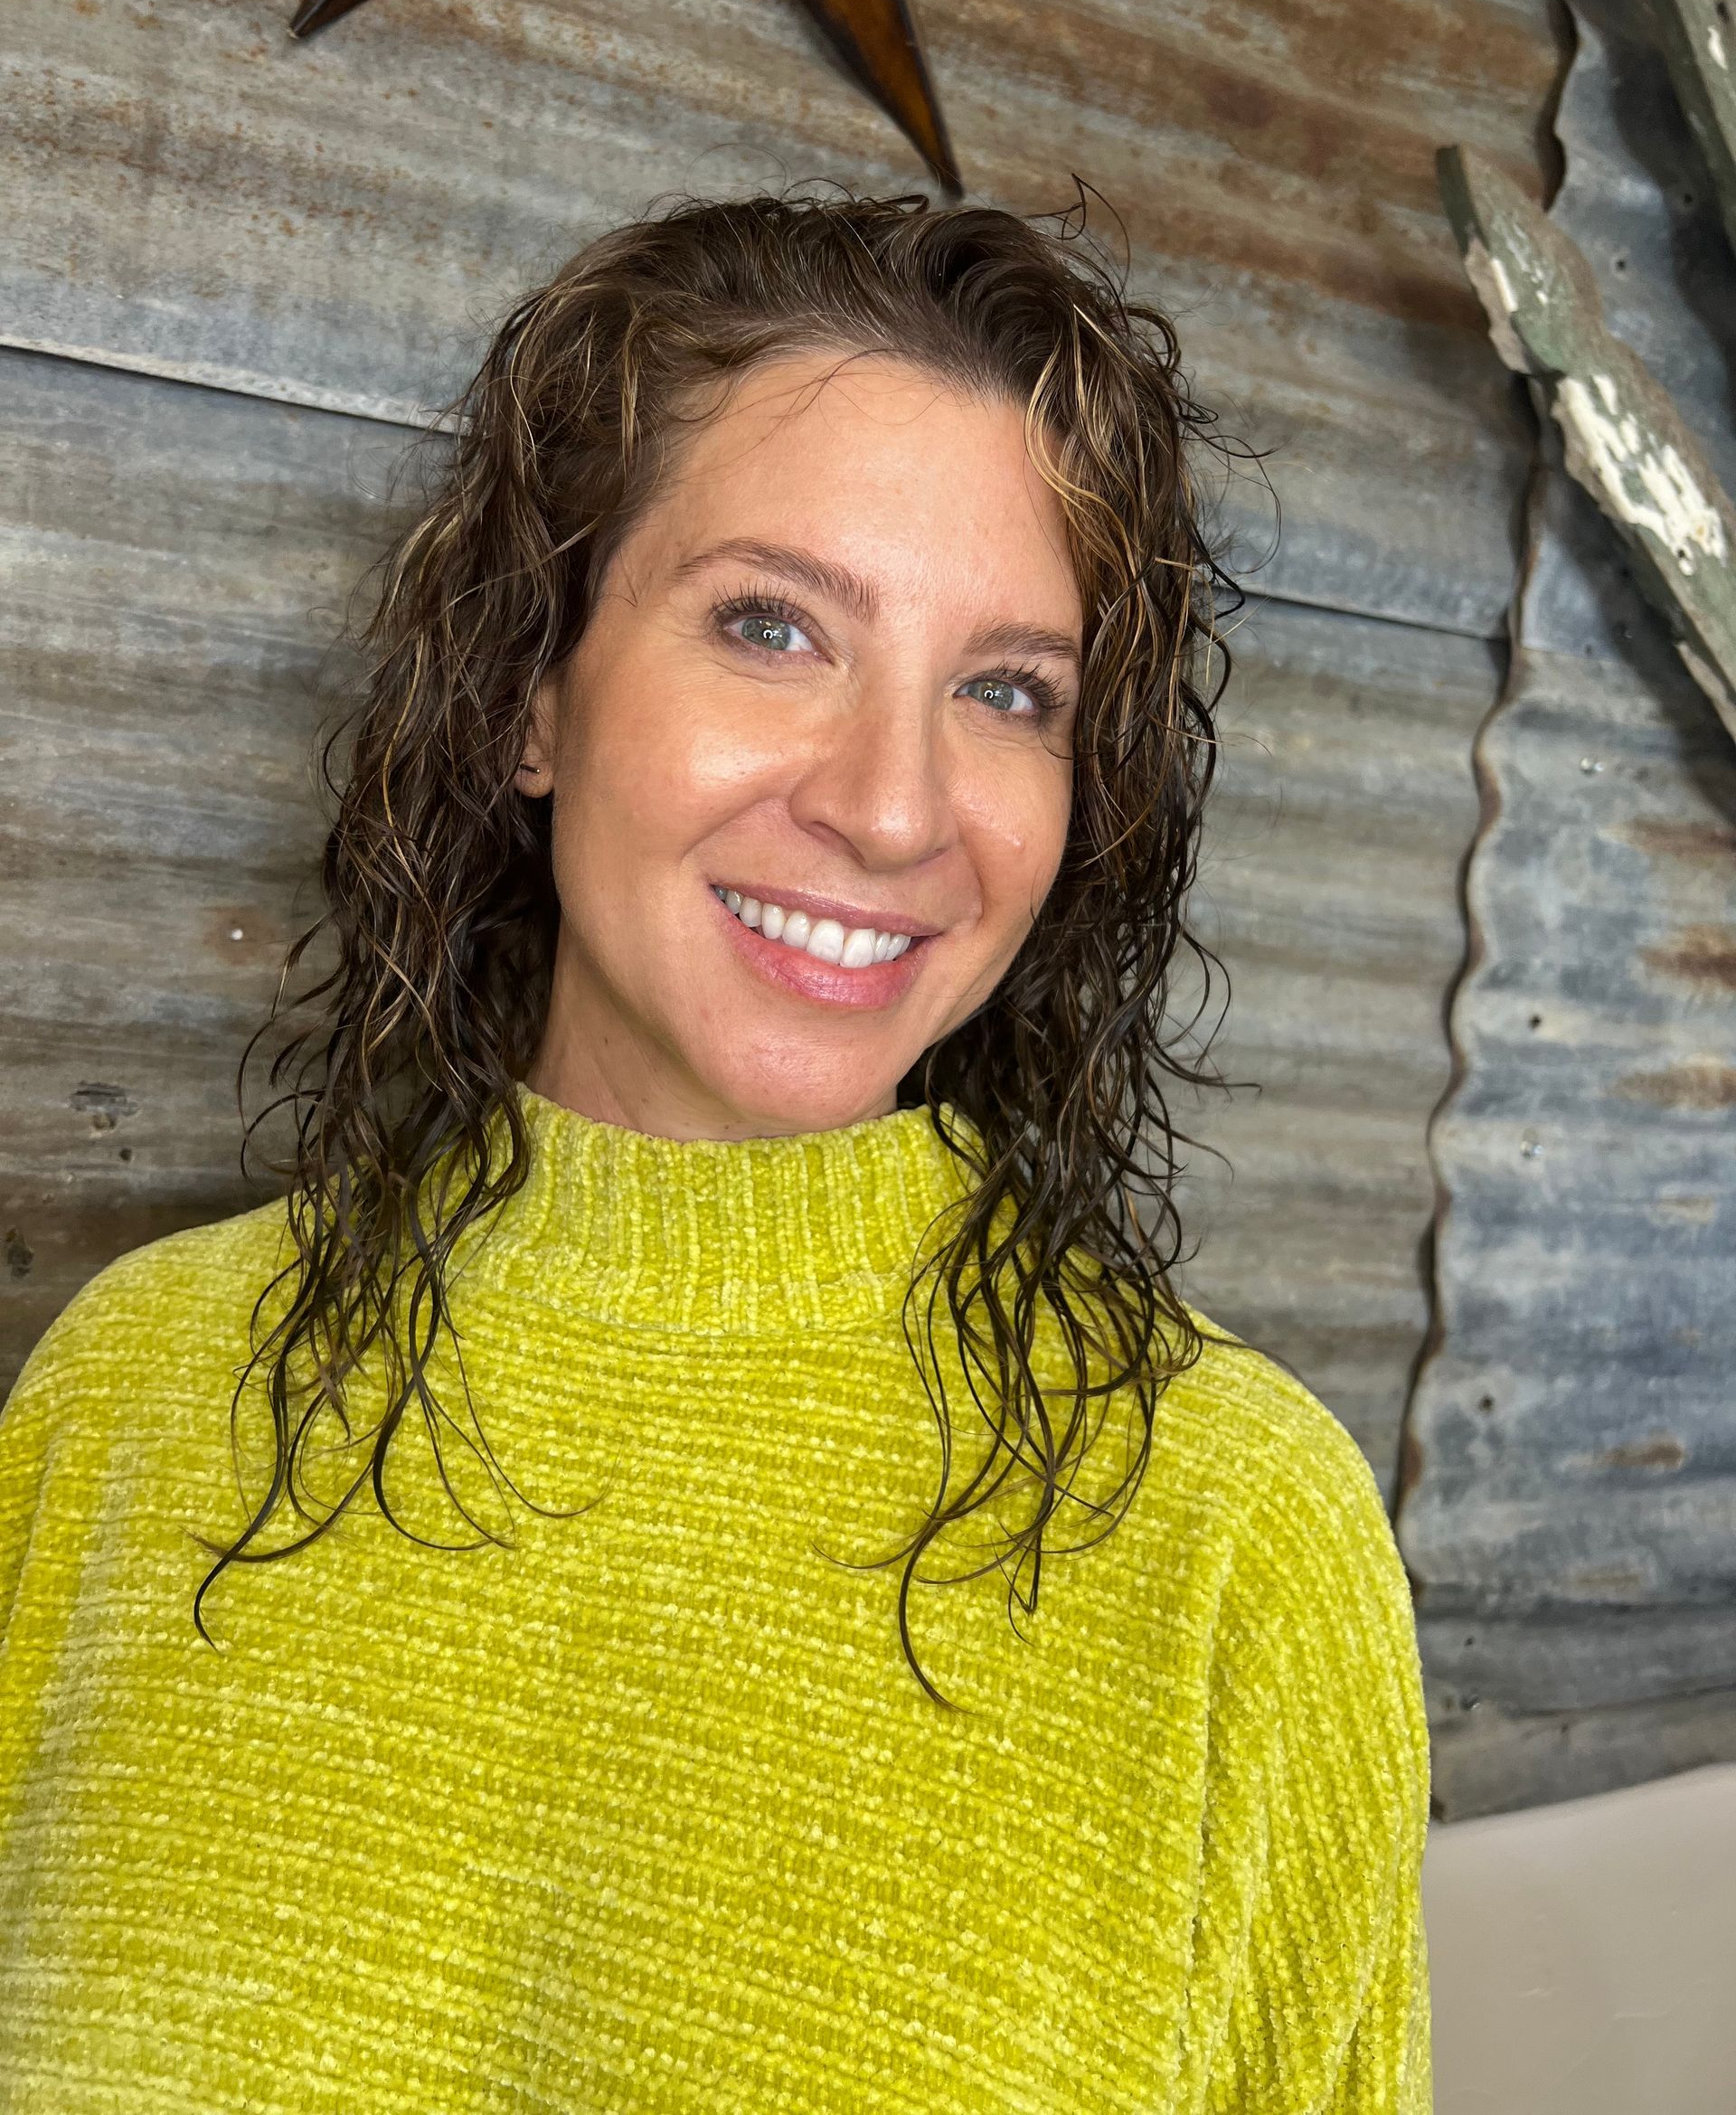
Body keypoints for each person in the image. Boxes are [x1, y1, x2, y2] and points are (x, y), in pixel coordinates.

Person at [0, 189, 1430, 2111]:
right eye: (774, 626)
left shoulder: (1234, 1542)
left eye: (1006, 688)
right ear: (532, 691)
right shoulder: (131, 1398)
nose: (893, 803)